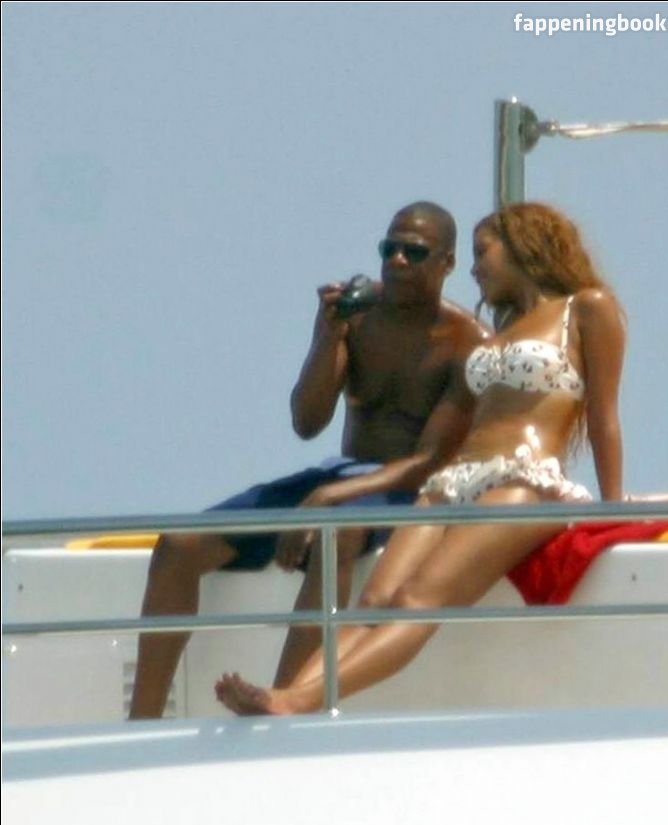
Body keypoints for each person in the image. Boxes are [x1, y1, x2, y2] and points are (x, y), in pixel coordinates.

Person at [214, 201, 627, 715]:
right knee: (371, 605)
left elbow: (604, 416)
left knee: (418, 601)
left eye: (482, 253)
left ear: (523, 246)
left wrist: (615, 508)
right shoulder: (502, 326)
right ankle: (290, 694)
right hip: (453, 482)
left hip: (525, 479)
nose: (473, 269)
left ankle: (297, 699)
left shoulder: (586, 308)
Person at [128, 201, 487, 719]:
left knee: (333, 533)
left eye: (414, 252)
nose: (397, 261)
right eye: (389, 249)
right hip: (341, 476)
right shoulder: (358, 318)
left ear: (447, 263)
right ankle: (141, 720)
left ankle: (280, 702)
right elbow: (307, 420)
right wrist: (329, 335)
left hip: (406, 490)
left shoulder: (467, 342)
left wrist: (328, 498)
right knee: (179, 545)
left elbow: (428, 462)